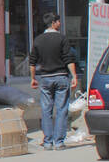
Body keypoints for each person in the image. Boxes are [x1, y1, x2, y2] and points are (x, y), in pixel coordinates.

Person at [29, 11, 80, 150]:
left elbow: (32, 62)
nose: (60, 23)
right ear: (53, 23)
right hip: (61, 77)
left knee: (46, 110)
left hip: (45, 79)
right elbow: (69, 59)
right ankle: (59, 142)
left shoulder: (38, 40)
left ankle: (47, 142)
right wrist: (74, 76)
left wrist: (33, 78)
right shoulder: (62, 39)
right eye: (58, 21)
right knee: (62, 109)